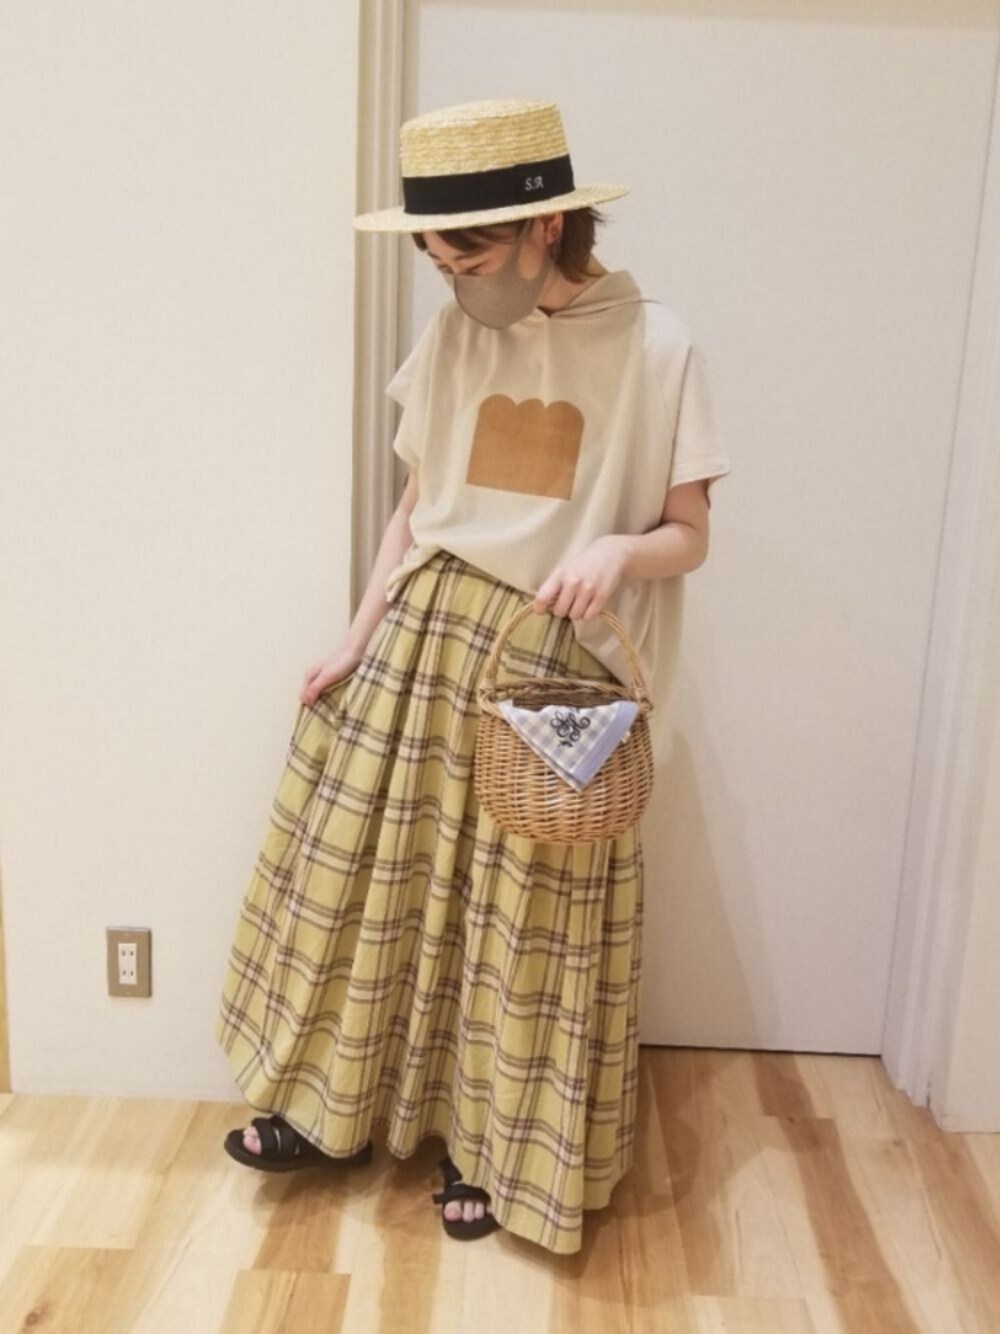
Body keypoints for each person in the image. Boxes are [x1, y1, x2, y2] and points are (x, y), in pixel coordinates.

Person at [214, 97, 731, 1255]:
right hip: (427, 636)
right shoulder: (454, 333)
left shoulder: (658, 346)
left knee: (524, 924)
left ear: (548, 225)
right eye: (439, 262)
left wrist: (617, 551)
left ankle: (492, 1146)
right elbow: (419, 502)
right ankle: (330, 1109)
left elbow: (690, 533)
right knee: (370, 884)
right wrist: (356, 633)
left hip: (552, 666)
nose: (457, 282)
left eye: (475, 257)